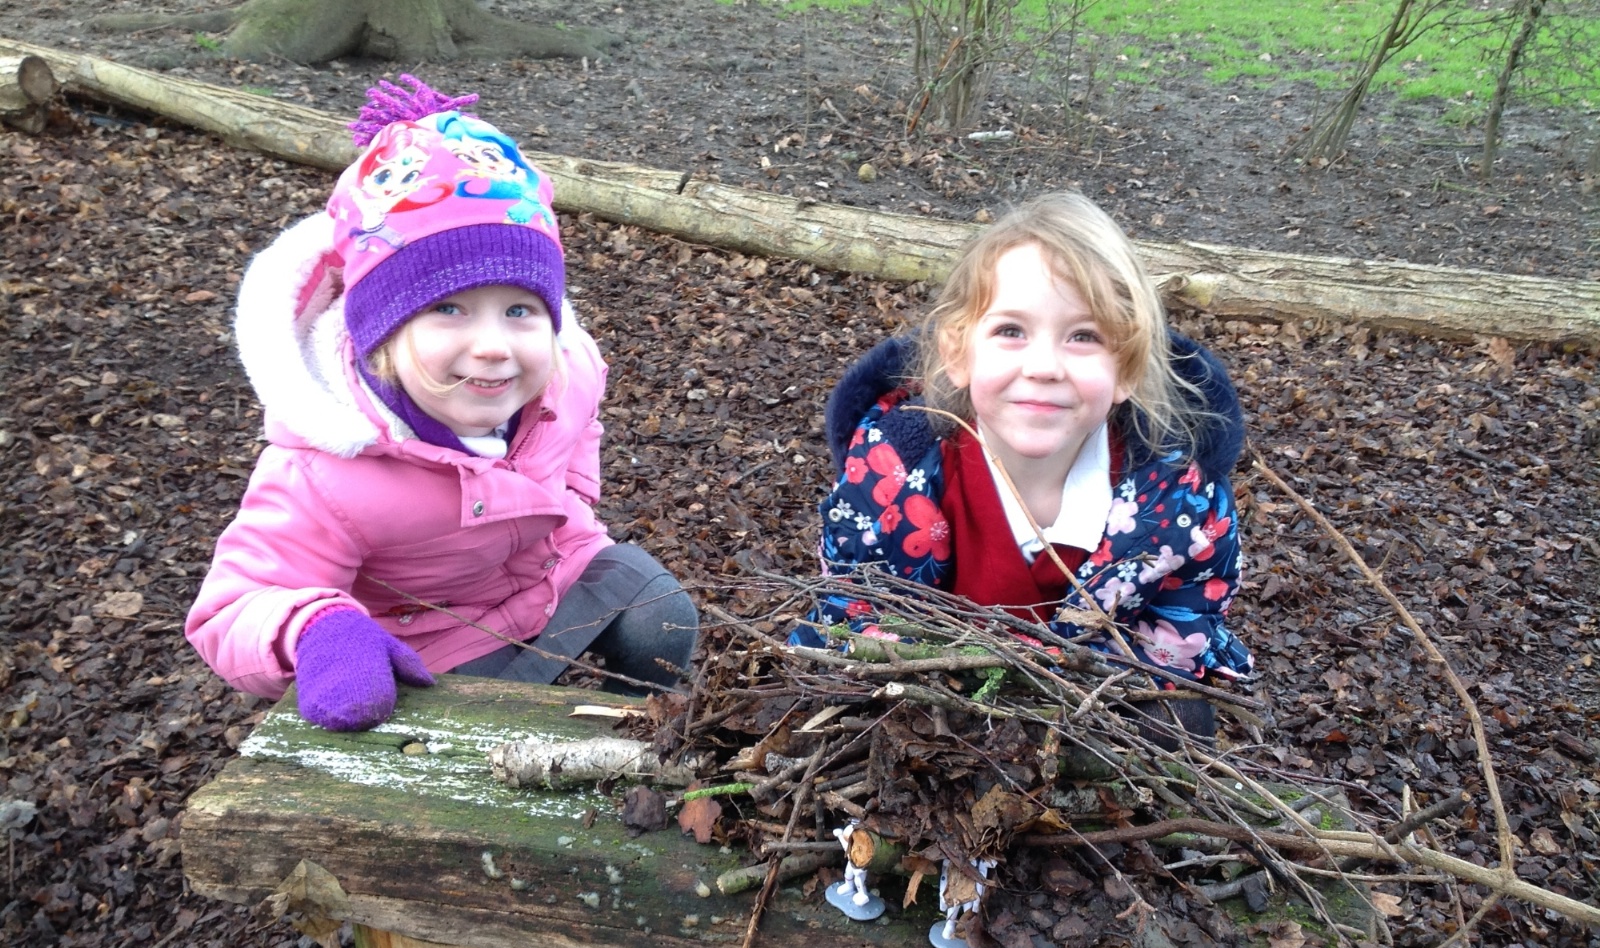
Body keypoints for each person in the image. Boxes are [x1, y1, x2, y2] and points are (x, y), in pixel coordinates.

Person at [186, 76, 696, 732]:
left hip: (550, 576)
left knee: (662, 616)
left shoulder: (566, 372)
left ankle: (632, 731)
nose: (493, 346)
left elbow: (579, 428)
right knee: (480, 746)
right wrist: (319, 629)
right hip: (435, 642)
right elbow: (234, 605)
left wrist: (574, 504)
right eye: (449, 309)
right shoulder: (325, 471)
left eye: (520, 309)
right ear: (382, 335)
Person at [797, 192, 1251, 736]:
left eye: (1084, 336)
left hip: (1091, 708)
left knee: (1180, 722)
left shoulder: (1179, 496)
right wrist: (949, 693)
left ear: (1126, 369)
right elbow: (853, 605)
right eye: (1011, 331)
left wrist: (1058, 702)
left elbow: (1184, 620)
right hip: (930, 697)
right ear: (957, 353)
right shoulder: (889, 469)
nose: (1043, 366)